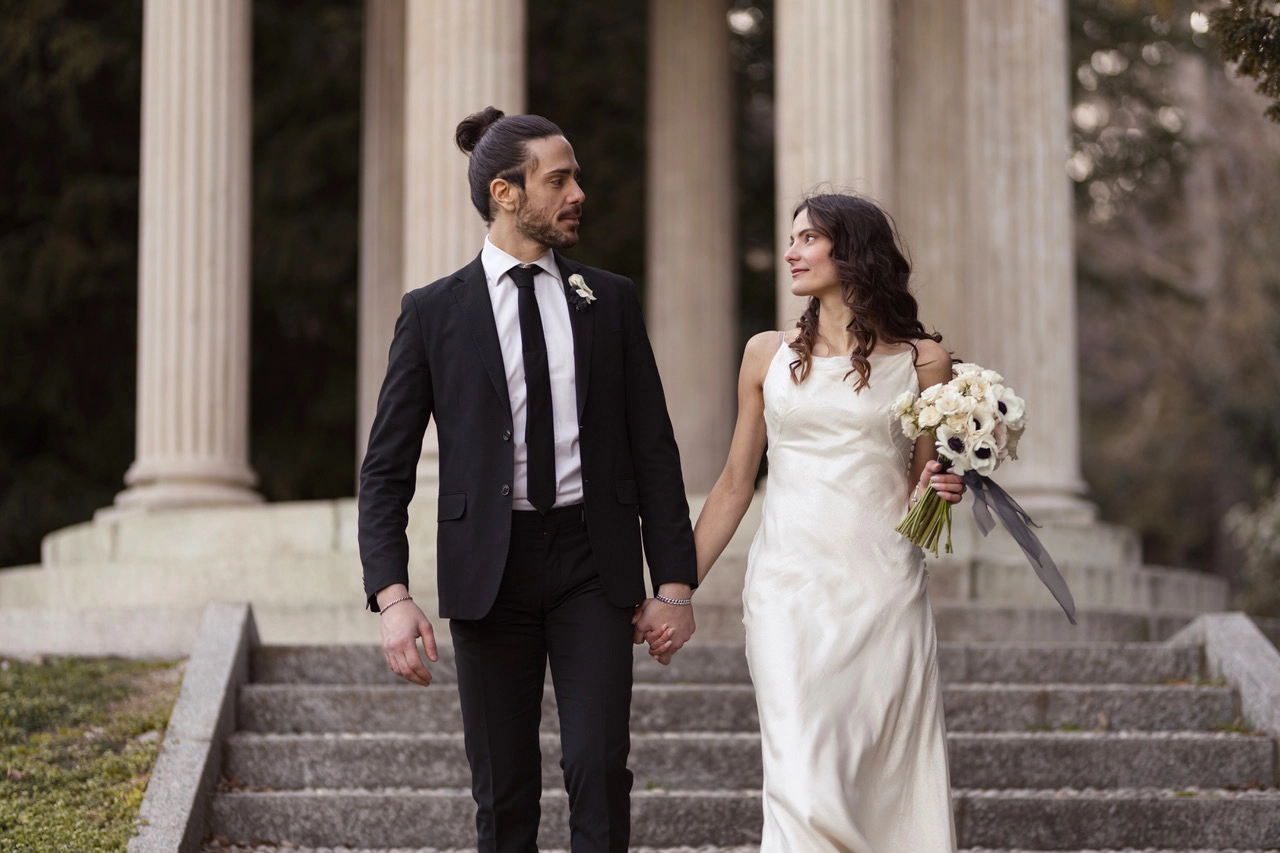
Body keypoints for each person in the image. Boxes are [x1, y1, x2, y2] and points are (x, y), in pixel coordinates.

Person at [358, 107, 697, 853]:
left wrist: (674, 584)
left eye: (576, 178)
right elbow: (386, 468)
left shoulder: (610, 300)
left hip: (592, 564)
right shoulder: (432, 313)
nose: (579, 194)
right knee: (504, 789)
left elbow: (653, 447)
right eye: (559, 180)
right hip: (490, 571)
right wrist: (391, 594)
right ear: (506, 193)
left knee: (598, 768)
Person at [645, 192, 965, 851]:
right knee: (802, 776)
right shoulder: (765, 353)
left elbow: (920, 495)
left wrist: (944, 490)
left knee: (878, 778)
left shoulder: (924, 360)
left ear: (853, 251)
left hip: (883, 589)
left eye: (808, 238)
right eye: (792, 238)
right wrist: (674, 591)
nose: (791, 251)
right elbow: (735, 484)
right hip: (787, 588)